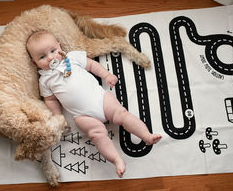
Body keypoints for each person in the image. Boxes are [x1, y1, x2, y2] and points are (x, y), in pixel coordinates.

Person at [26, 30, 161, 177]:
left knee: (122, 114)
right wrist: (59, 118)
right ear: (35, 62)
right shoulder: (44, 80)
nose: (51, 57)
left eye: (53, 50)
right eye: (42, 56)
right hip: (82, 115)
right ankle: (116, 159)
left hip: (101, 99)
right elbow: (51, 100)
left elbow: (91, 65)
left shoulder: (72, 57)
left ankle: (146, 136)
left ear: (59, 45)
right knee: (96, 134)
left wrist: (106, 75)